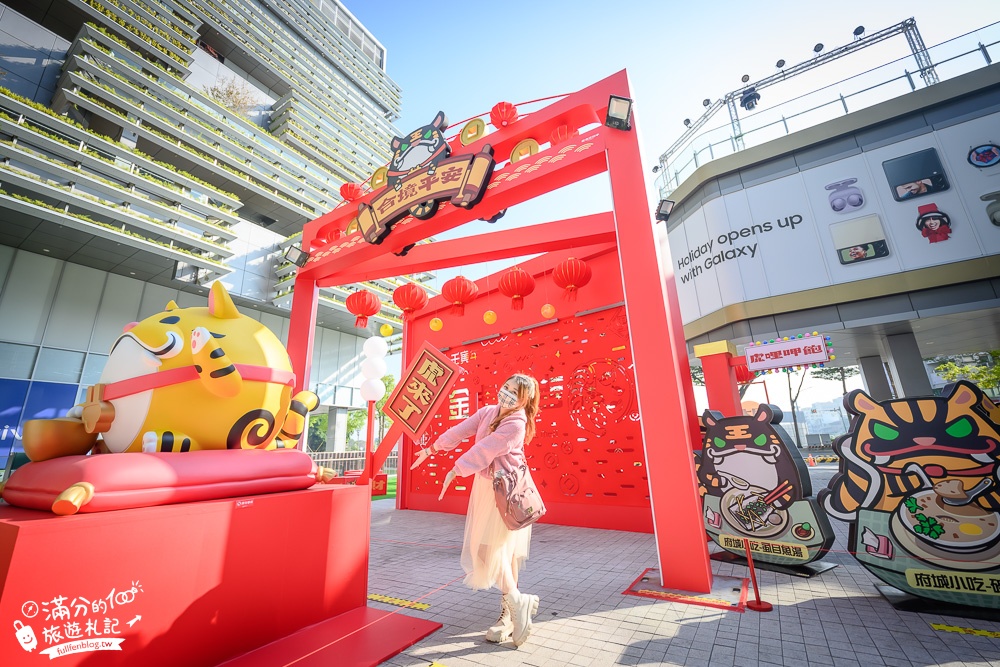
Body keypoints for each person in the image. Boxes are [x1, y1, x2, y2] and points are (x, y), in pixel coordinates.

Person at [410, 373, 541, 647]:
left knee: (488, 549)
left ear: (524, 400)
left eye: (513, 392)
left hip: (504, 490)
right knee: (502, 552)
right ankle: (512, 615)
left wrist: (456, 470)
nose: (505, 393)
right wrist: (433, 448)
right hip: (486, 487)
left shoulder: (517, 423)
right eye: (505, 387)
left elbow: (484, 449)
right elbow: (461, 430)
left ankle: (517, 603)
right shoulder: (488, 412)